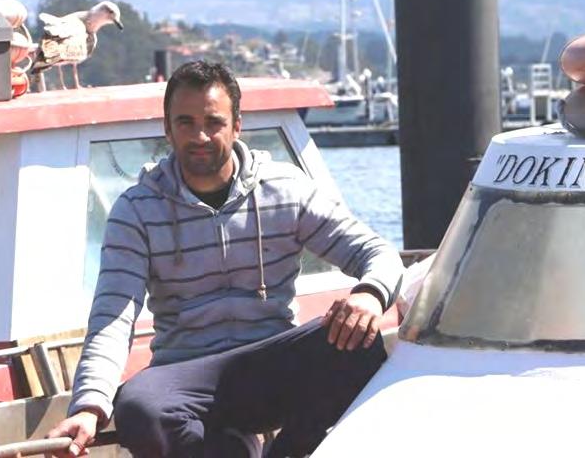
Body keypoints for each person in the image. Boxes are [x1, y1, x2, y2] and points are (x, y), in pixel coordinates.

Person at [48, 60, 403, 457]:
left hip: (272, 362)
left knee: (361, 344)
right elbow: (112, 318)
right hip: (188, 377)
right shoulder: (136, 210)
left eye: (213, 122)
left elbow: (378, 253)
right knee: (138, 408)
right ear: (167, 129)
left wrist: (370, 295)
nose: (199, 136)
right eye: (185, 122)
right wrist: (89, 407)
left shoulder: (286, 190)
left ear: (237, 126)